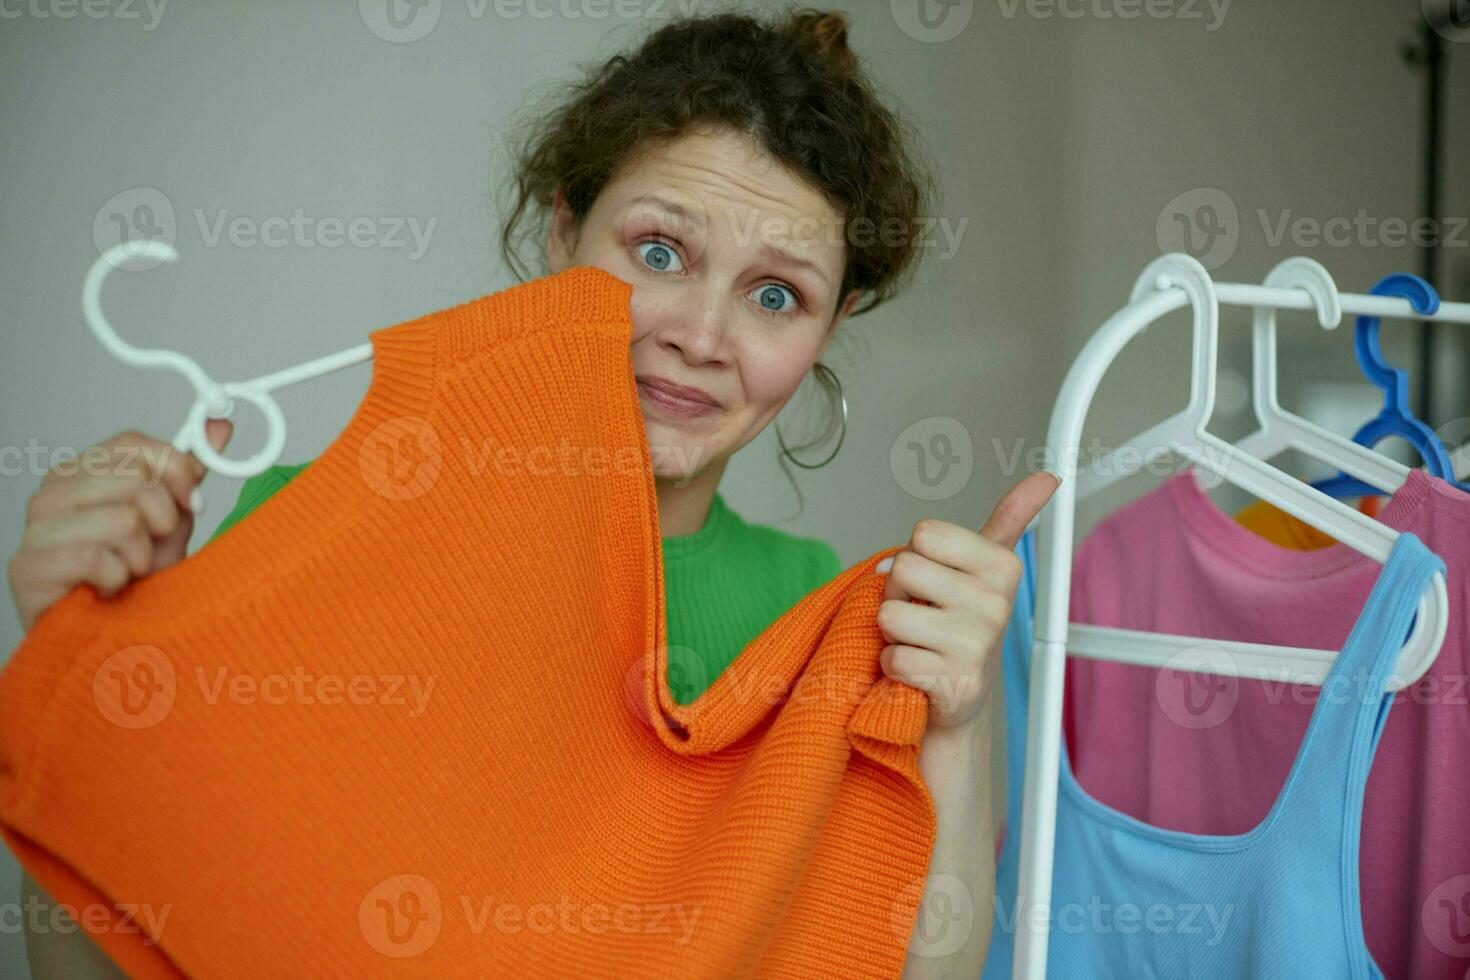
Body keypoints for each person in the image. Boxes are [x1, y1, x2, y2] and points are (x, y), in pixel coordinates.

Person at [6, 9, 1058, 977]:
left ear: (828, 330)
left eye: (776, 294)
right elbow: (120, 942)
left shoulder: (815, 621)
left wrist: (957, 732)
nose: (700, 333)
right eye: (660, 249)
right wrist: (89, 663)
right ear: (562, 234)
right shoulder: (306, 524)